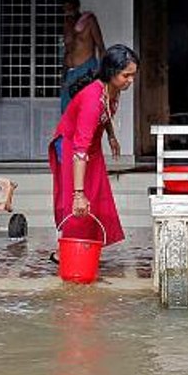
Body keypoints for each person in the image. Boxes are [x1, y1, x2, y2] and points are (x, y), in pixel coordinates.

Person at [49, 44, 139, 254]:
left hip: (91, 144)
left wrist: (111, 136)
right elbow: (80, 149)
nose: (131, 81)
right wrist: (78, 193)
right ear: (111, 72)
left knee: (97, 195)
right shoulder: (92, 99)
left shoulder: (114, 89)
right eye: (127, 75)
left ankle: (87, 247)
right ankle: (67, 253)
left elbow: (106, 112)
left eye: (133, 75)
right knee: (77, 200)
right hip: (72, 145)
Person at [61, 0, 105, 114]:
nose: (67, 11)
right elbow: (67, 50)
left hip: (86, 70)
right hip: (70, 72)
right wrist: (64, 74)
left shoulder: (89, 21)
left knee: (84, 109)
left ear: (77, 7)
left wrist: (100, 73)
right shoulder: (67, 24)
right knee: (67, 111)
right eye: (65, 9)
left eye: (69, 8)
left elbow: (101, 47)